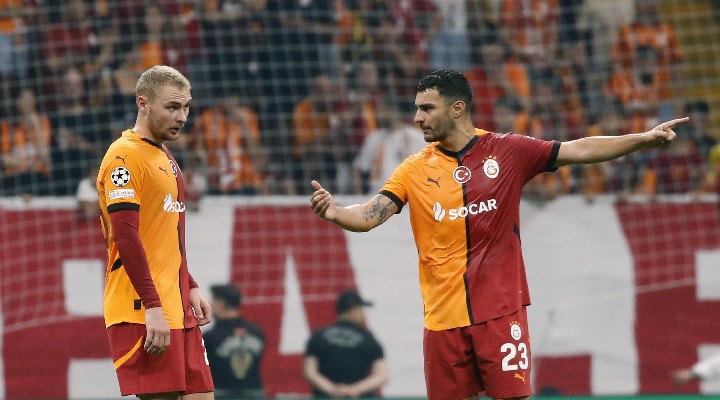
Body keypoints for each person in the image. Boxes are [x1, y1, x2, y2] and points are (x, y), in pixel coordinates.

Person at [309, 69, 688, 400]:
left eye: (427, 108)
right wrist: (336, 212)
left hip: (500, 314)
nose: (417, 118)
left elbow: (579, 149)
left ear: (457, 108)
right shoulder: (412, 169)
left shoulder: (507, 151)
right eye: (416, 109)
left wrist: (642, 139)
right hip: (442, 321)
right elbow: (370, 214)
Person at [96, 65, 214, 400]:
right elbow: (126, 237)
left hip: (176, 305)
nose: (182, 117)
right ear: (143, 103)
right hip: (143, 309)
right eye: (172, 107)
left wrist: (189, 284)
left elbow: (163, 237)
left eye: (186, 107)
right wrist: (152, 306)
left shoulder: (164, 155)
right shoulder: (124, 157)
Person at [303, 290, 389, 398]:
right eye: (361, 309)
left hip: (326, 397)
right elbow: (382, 375)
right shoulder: (368, 339)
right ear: (354, 310)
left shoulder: (318, 336)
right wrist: (355, 390)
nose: (363, 314)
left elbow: (310, 372)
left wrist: (332, 389)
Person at [203, 284, 266, 400]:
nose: (211, 305)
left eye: (213, 301)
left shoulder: (210, 336)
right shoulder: (257, 333)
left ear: (221, 303)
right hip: (253, 393)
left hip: (221, 394)